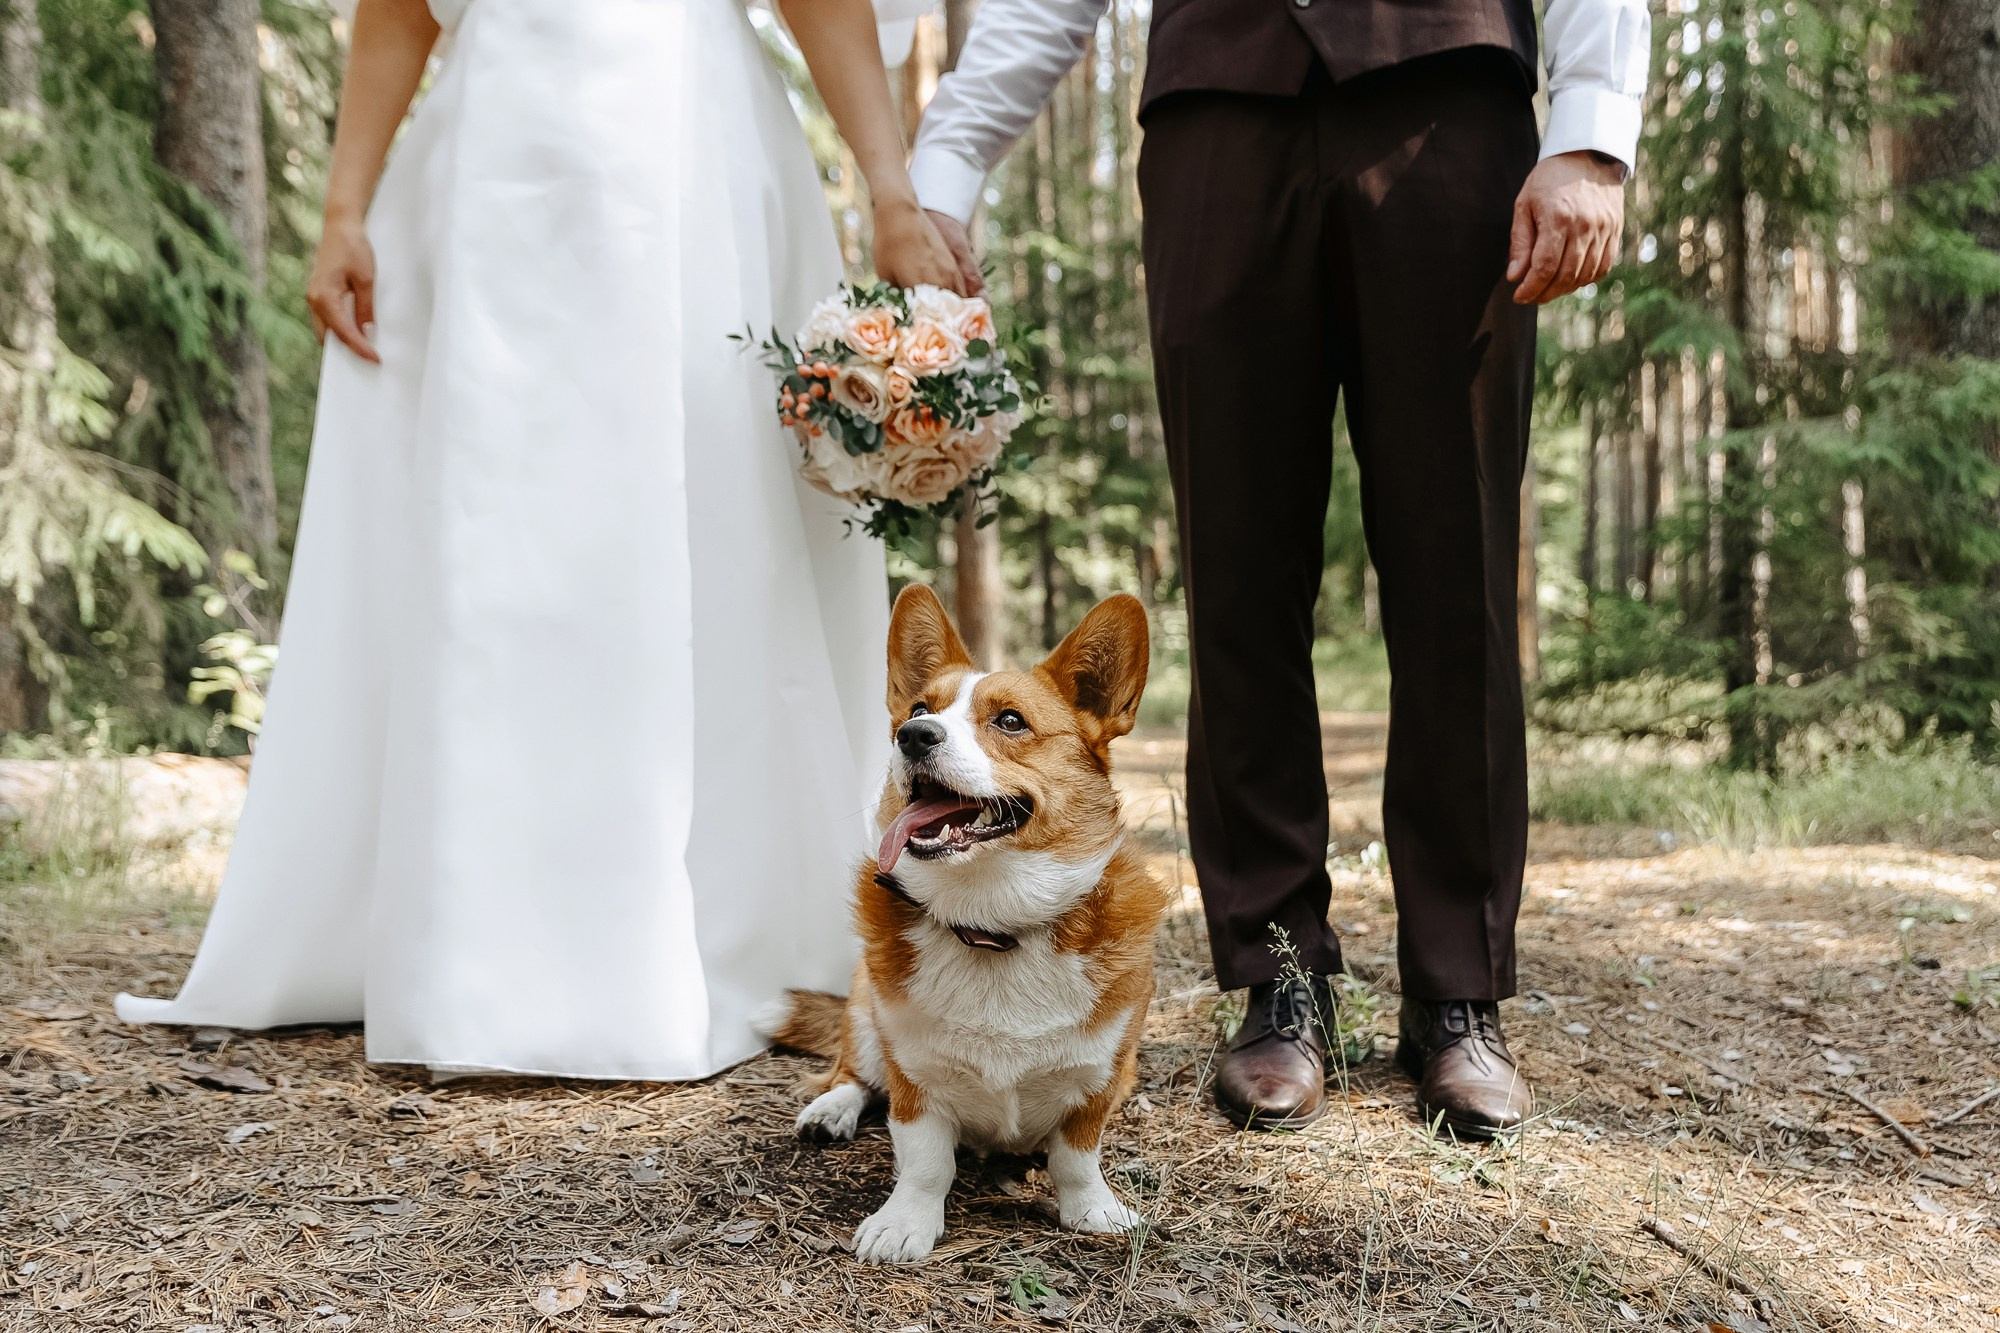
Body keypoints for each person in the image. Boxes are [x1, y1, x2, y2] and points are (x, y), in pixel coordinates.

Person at [116, 0, 967, 1079]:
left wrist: (891, 191)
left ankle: (721, 928)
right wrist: (344, 207)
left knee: (719, 536)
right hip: (489, 161)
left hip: (692, 154)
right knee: (488, 544)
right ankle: (474, 952)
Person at [888, 0, 1650, 1135]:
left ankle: (1456, 992)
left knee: (1458, 583)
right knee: (1235, 576)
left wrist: (1588, 130)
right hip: (1216, 127)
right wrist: (943, 160)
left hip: (1444, 99)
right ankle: (1279, 980)